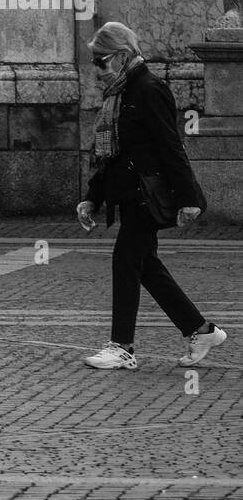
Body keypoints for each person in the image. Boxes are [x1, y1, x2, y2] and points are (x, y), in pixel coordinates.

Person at [76, 22, 224, 370]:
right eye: (94, 61)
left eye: (101, 60)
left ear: (123, 55)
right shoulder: (119, 94)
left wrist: (191, 198)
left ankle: (122, 346)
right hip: (129, 195)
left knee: (126, 260)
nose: (96, 69)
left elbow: (170, 147)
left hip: (148, 196)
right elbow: (110, 155)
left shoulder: (149, 89)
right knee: (146, 267)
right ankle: (199, 329)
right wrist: (92, 198)